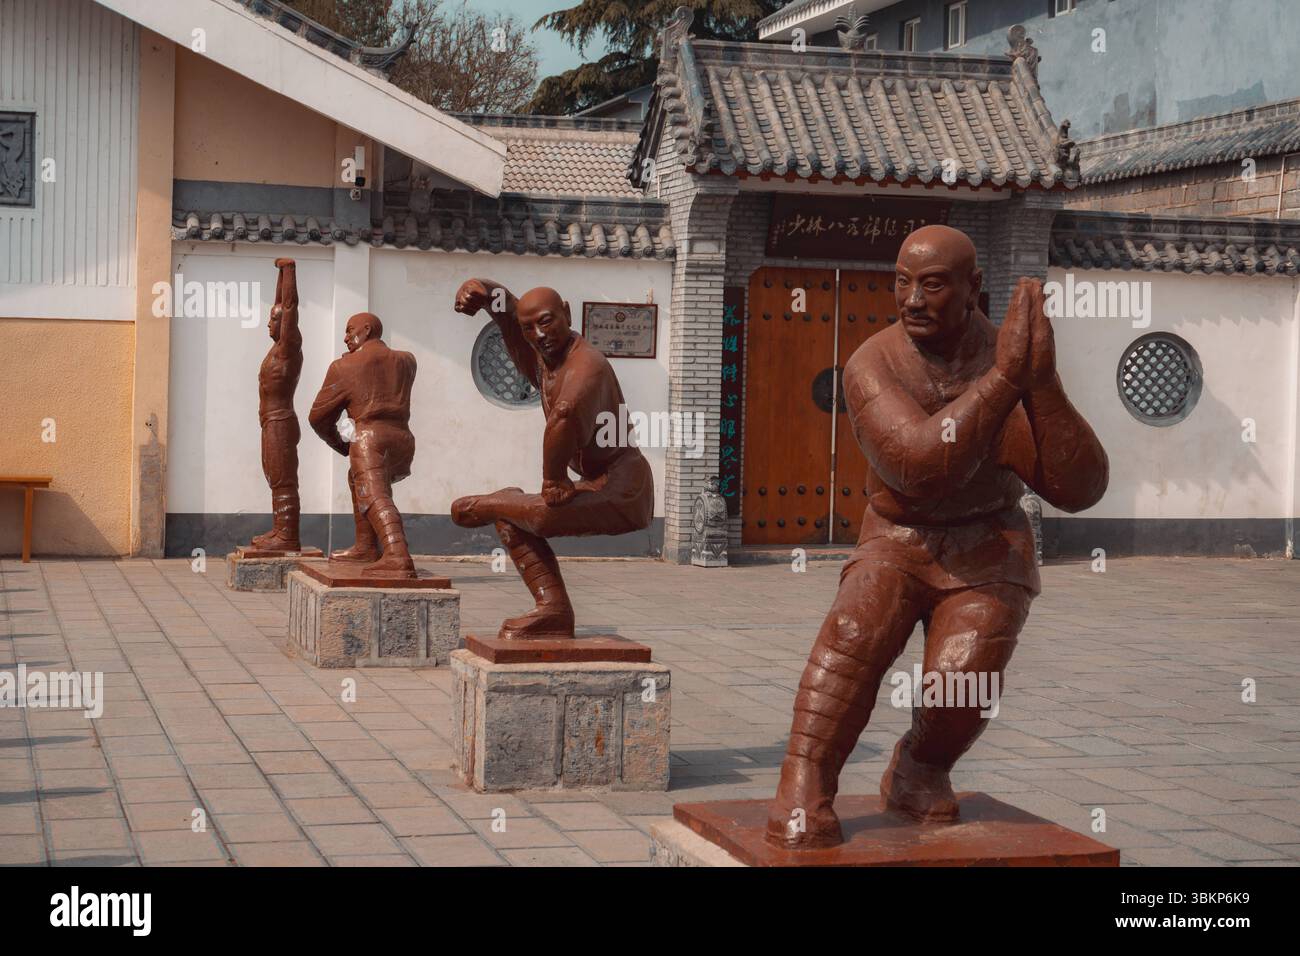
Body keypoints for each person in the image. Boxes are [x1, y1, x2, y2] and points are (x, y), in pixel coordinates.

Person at [766, 225, 1109, 849]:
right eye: (902, 282)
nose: (912, 299)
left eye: (931, 284)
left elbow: (1079, 487)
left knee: (965, 680)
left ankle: (920, 767)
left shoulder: (1008, 355)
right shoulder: (874, 361)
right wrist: (1005, 382)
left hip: (985, 543)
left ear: (973, 286)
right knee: (854, 633)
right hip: (898, 534)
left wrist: (1040, 382)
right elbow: (917, 468)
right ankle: (805, 775)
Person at [450, 279, 654, 639]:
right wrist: (483, 290)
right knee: (511, 518)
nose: (539, 334)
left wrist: (554, 479)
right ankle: (553, 608)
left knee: (536, 515)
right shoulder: (547, 359)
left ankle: (501, 500)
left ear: (567, 315)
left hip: (625, 486)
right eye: (531, 328)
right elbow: (512, 319)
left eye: (546, 322)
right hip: (595, 480)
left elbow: (564, 417)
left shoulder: (586, 365)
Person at [307, 312, 418, 577]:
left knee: (373, 494)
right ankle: (366, 546)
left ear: (366, 330)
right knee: (358, 482)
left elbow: (318, 418)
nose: (345, 338)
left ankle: (397, 554)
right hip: (403, 440)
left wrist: (343, 444)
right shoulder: (407, 361)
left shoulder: (343, 367)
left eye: (349, 330)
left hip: (369, 438)